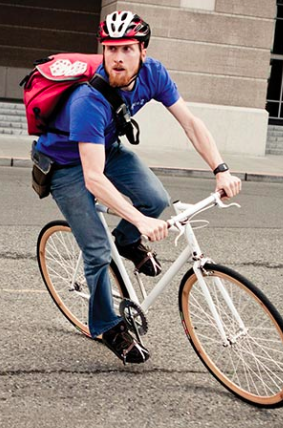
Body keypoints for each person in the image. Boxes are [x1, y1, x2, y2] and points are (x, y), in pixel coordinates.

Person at [34, 10, 242, 364]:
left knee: (155, 199)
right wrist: (142, 221)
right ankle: (107, 325)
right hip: (66, 165)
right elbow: (93, 178)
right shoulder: (89, 101)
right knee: (98, 252)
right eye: (110, 49)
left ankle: (128, 242)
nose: (117, 58)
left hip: (107, 147)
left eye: (127, 49)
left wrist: (220, 169)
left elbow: (190, 123)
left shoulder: (154, 74)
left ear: (143, 51)